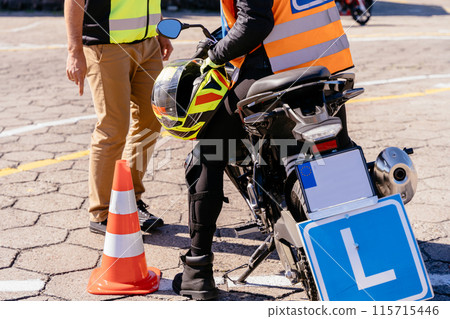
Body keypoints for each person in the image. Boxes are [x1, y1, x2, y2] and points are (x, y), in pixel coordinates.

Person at [172, 0, 354, 300]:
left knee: (207, 154)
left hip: (277, 73)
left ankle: (197, 270)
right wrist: (222, 35)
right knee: (339, 155)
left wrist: (214, 56)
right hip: (329, 71)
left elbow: (255, 22)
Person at [64, 0, 173, 235]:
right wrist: (74, 52)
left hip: (148, 45)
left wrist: (161, 29)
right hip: (106, 46)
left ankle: (129, 200)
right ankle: (101, 212)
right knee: (113, 128)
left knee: (152, 121)